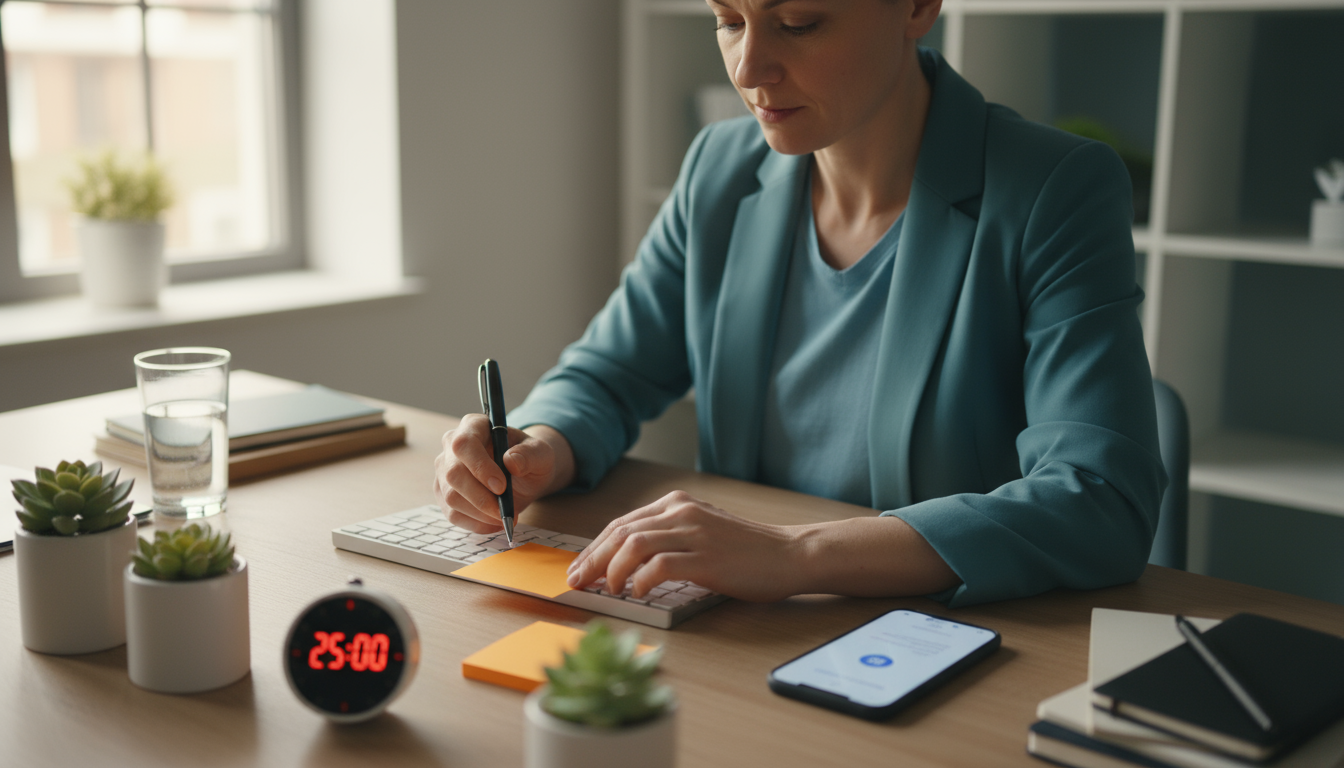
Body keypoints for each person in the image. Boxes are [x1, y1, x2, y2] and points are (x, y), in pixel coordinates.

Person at [433, 0, 1166, 608]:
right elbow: (607, 372)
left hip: (929, 640)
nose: (749, 70)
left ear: (916, 7)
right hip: (737, 625)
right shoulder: (718, 168)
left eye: (800, 21)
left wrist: (795, 553)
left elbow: (1100, 500)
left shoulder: (1055, 188)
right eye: (727, 18)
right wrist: (539, 449)